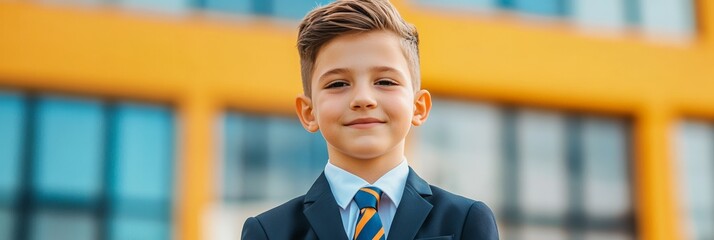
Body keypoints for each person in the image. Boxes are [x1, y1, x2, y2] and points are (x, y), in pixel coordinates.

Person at [241, 0, 499, 239]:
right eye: (338, 83)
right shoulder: (269, 231)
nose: (363, 99)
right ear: (309, 112)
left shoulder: (465, 220)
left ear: (418, 106)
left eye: (385, 81)